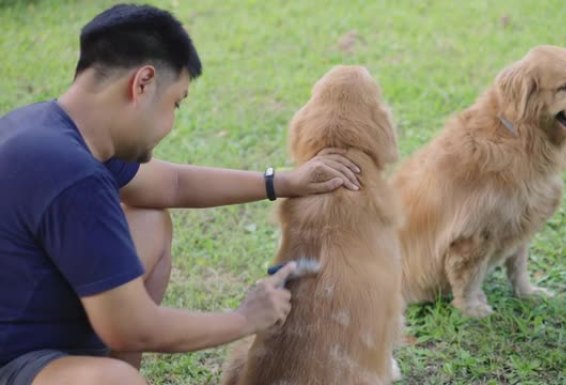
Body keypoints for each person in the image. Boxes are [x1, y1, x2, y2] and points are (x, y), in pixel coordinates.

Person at [0, 4, 361, 385]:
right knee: (113, 382)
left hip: (31, 325)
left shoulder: (47, 129)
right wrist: (245, 318)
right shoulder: (72, 174)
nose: (171, 121)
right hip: (13, 359)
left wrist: (283, 182)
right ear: (142, 83)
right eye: (176, 103)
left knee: (150, 218)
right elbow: (133, 329)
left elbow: (172, 184)